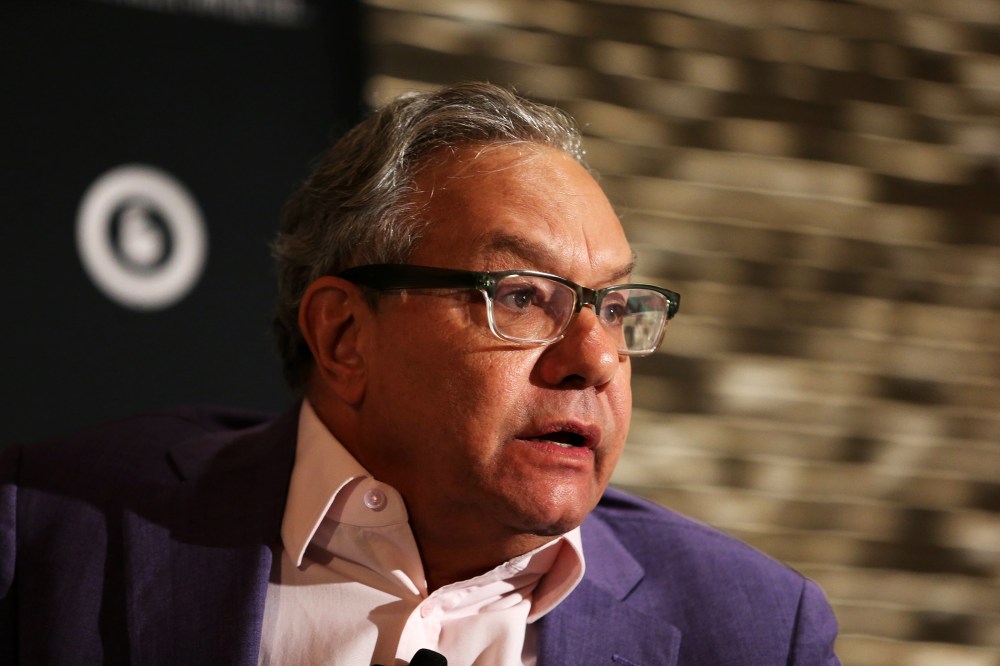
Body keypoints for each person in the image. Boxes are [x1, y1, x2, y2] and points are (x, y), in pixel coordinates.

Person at [0, 82, 840, 665]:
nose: (594, 359)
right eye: (520, 296)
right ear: (344, 335)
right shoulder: (49, 531)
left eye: (615, 307)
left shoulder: (755, 630)